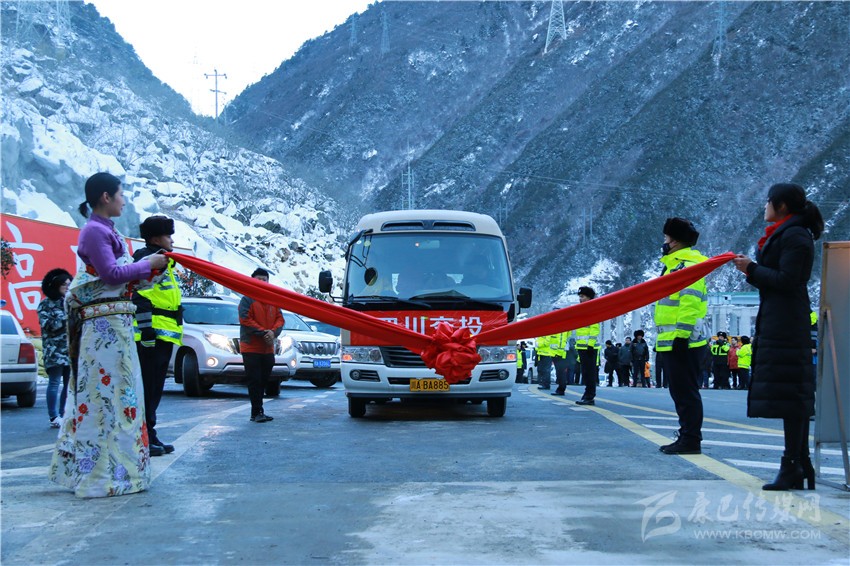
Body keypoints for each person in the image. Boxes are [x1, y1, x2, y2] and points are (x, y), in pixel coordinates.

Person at [49, 172, 169, 498]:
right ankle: (103, 475)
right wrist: (148, 263)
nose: (123, 201)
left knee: (121, 397)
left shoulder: (106, 230)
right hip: (104, 330)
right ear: (105, 197)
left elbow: (119, 278)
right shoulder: (94, 231)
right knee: (106, 399)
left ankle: (122, 471)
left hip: (116, 326)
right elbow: (111, 274)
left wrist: (152, 269)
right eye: (120, 194)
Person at [732, 182, 824, 491]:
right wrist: (751, 270)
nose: (765, 206)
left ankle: (793, 465)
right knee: (790, 394)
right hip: (779, 319)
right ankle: (799, 463)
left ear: (781, 206)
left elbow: (788, 280)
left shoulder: (795, 235)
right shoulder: (788, 233)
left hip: (787, 323)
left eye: (769, 201)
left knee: (792, 396)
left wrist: (752, 268)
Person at [655, 217, 708, 455]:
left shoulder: (686, 266)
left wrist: (681, 336)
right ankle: (687, 435)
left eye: (666, 238)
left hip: (685, 341)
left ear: (675, 241)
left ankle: (691, 439)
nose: (664, 242)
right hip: (675, 340)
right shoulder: (674, 265)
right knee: (680, 392)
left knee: (686, 393)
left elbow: (689, 303)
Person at [133, 216, 183, 457]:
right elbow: (138, 294)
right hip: (151, 332)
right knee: (147, 388)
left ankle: (149, 434)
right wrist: (146, 329)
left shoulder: (164, 262)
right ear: (155, 238)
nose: (172, 240)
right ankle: (143, 437)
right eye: (168, 235)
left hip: (164, 333)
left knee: (155, 389)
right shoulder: (147, 261)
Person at [239, 268, 284, 423]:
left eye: (264, 279)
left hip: (268, 348)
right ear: (252, 279)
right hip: (251, 347)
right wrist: (264, 332)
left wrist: (273, 332)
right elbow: (245, 319)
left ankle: (258, 411)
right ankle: (256, 411)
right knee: (255, 380)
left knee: (264, 379)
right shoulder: (247, 299)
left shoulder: (273, 299)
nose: (261, 281)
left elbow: (280, 319)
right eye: (258, 278)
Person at [38, 268, 73, 428]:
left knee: (68, 383)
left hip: (70, 349)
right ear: (56, 285)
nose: (67, 287)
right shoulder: (45, 304)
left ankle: (64, 413)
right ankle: (53, 416)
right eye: (64, 284)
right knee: (54, 382)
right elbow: (49, 325)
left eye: (69, 284)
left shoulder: (70, 302)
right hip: (54, 350)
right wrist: (66, 317)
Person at [575, 287, 600, 406]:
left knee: (589, 373)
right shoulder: (582, 310)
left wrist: (590, 345)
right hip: (582, 347)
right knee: (585, 373)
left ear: (589, 297)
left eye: (583, 296)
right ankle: (587, 395)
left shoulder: (592, 309)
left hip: (589, 348)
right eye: (580, 297)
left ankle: (589, 396)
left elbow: (594, 329)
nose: (580, 299)